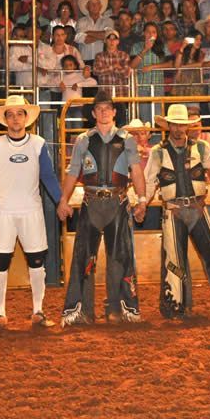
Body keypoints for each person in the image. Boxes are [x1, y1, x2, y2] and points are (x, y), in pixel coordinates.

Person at [143, 104, 210, 319]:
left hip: (197, 207)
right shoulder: (158, 152)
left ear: (187, 126)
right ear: (168, 126)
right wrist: (142, 202)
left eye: (182, 125)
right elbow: (149, 182)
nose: (178, 129)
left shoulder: (201, 148)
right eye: (174, 125)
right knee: (175, 261)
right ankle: (176, 308)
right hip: (174, 209)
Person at [56, 91, 147, 326]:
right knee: (84, 257)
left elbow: (136, 171)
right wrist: (63, 200)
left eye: (108, 108)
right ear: (94, 113)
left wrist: (142, 199)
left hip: (118, 202)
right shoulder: (83, 139)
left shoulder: (127, 139)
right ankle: (81, 311)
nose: (104, 112)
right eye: (100, 108)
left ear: (114, 112)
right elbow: (72, 172)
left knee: (120, 257)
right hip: (91, 202)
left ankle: (118, 308)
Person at [0, 96, 63, 328]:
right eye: (10, 114)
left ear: (26, 118)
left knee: (37, 262)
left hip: (31, 212)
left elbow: (48, 176)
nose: (15, 118)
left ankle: (38, 311)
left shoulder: (38, 144)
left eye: (19, 114)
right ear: (5, 120)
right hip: (2, 213)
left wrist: (60, 201)